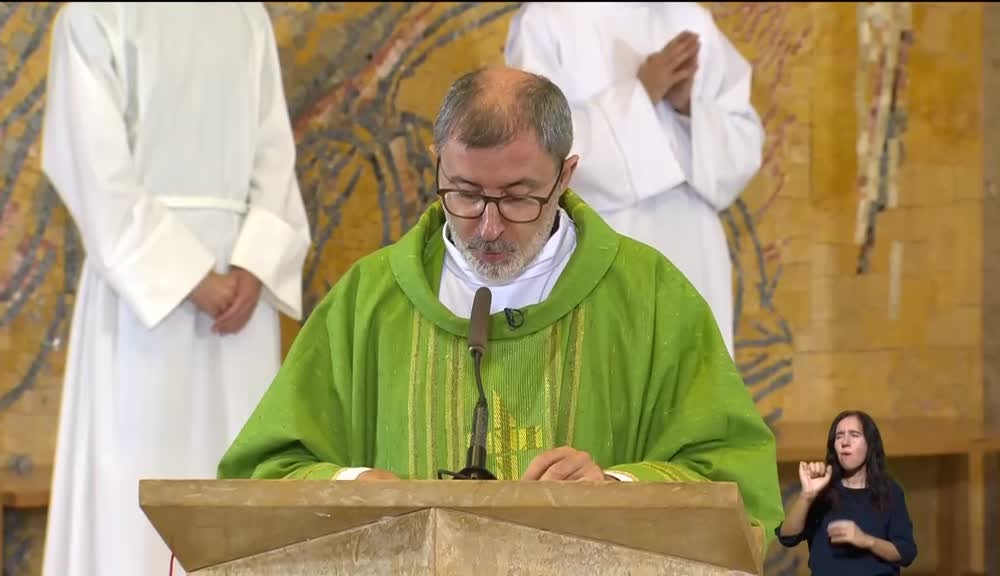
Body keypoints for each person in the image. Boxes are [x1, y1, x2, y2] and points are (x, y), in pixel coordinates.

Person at [216, 66, 783, 546]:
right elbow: (261, 477)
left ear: (565, 176)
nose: (488, 226)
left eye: (516, 197)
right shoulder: (368, 302)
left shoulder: (651, 298)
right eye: (464, 193)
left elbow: (738, 485)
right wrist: (354, 485)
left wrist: (616, 490)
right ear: (436, 163)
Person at [39, 3, 310, 575]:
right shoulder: (94, 16)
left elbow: (273, 151)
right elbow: (92, 166)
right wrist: (190, 275)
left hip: (237, 297)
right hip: (144, 297)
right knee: (135, 475)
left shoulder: (243, 16)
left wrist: (255, 263)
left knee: (236, 471)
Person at [504, 2, 765, 358]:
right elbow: (534, 144)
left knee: (694, 390)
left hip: (693, 245)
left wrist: (689, 107)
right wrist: (640, 96)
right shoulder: (548, 19)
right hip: (601, 239)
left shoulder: (689, 19)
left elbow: (745, 142)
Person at [776, 411, 918, 574]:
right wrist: (807, 495)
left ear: (870, 444)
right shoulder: (823, 489)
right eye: (839, 436)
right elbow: (787, 538)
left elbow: (906, 553)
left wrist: (865, 540)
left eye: (854, 435)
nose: (845, 442)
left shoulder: (890, 491)